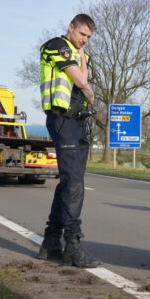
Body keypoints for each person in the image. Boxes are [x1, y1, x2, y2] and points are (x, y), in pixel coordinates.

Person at [38, 14, 101, 268]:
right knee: (74, 182)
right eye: (82, 34)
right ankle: (72, 244)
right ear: (71, 27)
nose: (84, 40)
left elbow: (91, 95)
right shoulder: (56, 46)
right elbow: (83, 82)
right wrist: (82, 65)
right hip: (61, 119)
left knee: (70, 182)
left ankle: (51, 242)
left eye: (88, 37)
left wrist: (82, 64)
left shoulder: (80, 54)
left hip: (78, 122)